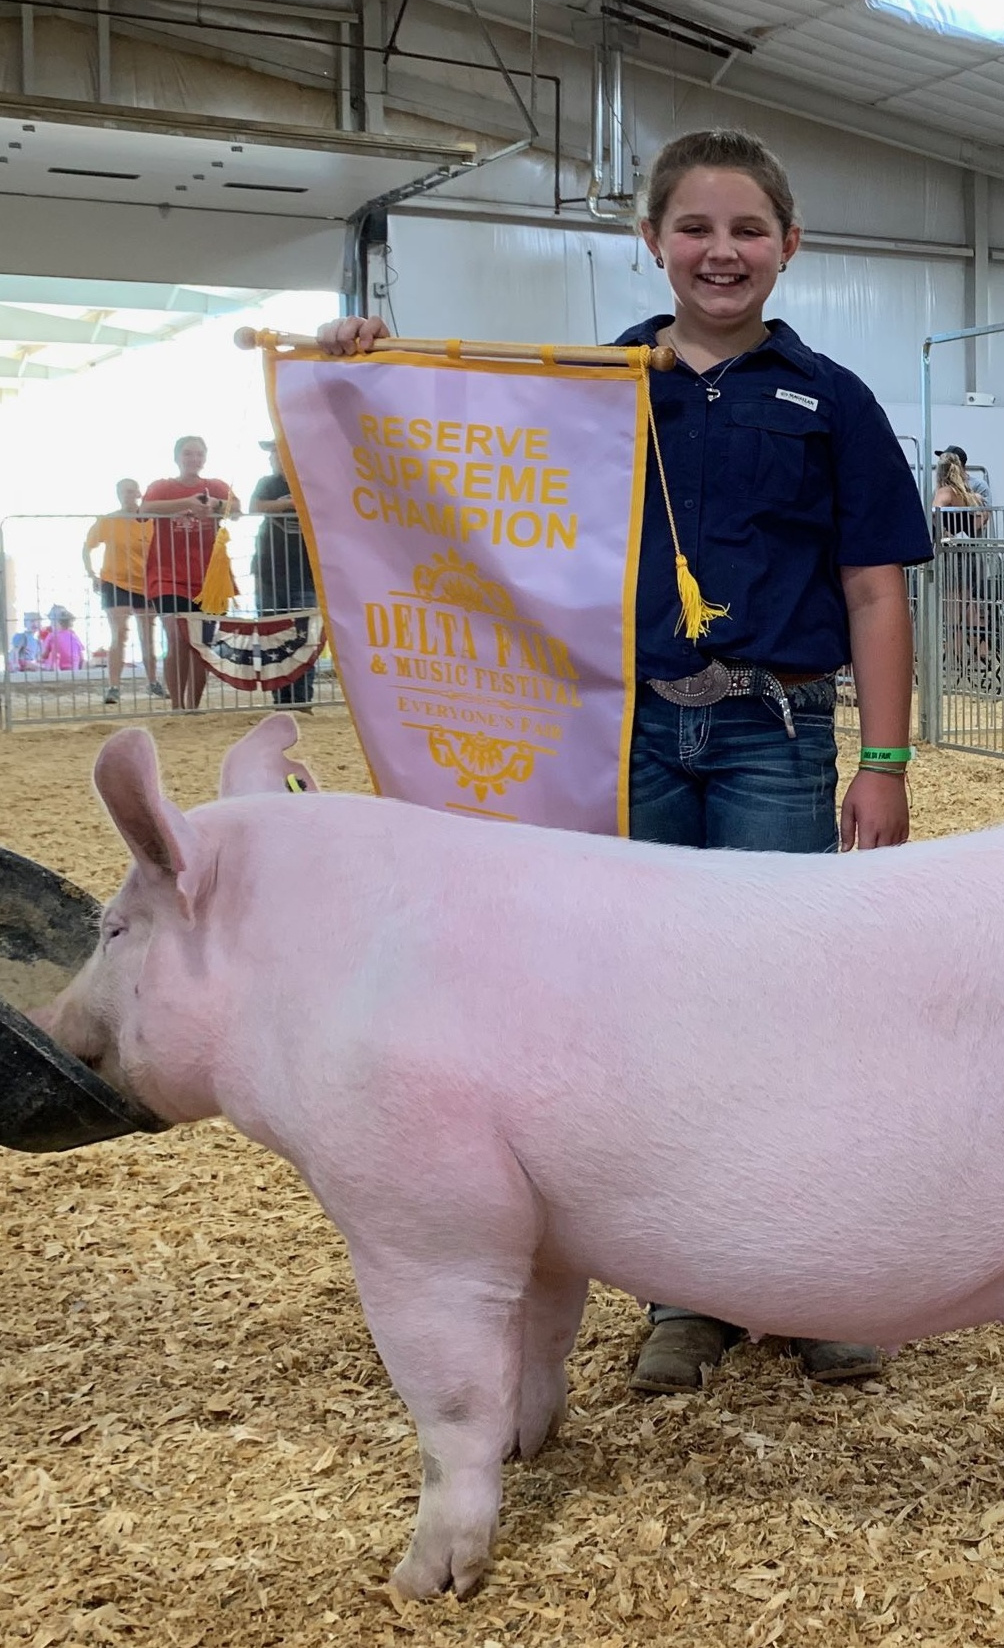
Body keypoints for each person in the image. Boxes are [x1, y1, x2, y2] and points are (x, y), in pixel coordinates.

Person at [317, 126, 932, 1395]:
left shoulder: (834, 403)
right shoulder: (583, 389)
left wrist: (882, 757)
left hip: (772, 730)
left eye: (747, 229)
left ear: (789, 247)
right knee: (638, 1012)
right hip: (621, 735)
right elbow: (454, 432)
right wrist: (377, 369)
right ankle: (685, 1292)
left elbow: (873, 590)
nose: (721, 251)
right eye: (695, 228)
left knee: (781, 994)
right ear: (650, 242)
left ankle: (810, 1274)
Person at [141, 436, 241, 711]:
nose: (193, 459)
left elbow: (238, 508)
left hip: (208, 579)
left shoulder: (216, 486)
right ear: (177, 457)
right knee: (176, 637)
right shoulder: (161, 486)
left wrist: (215, 505)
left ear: (205, 458)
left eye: (198, 454)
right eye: (188, 453)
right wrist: (187, 501)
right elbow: (145, 509)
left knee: (201, 643)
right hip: (167, 574)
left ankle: (193, 706)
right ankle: (177, 706)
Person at [249, 439, 318, 707]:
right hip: (269, 572)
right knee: (273, 637)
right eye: (274, 454)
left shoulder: (312, 480)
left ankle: (301, 700)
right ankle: (281, 699)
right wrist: (291, 505)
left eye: (279, 452)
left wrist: (290, 504)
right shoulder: (268, 482)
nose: (274, 458)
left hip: (305, 573)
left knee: (304, 637)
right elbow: (257, 506)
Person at [83, 478, 162, 705]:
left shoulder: (150, 521)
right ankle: (114, 686)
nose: (129, 495)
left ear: (139, 493)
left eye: (132, 491)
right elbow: (87, 548)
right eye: (124, 491)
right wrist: (92, 574)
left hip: (145, 583)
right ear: (118, 494)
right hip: (115, 581)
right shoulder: (108, 521)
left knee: (148, 635)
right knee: (119, 633)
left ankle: (153, 682)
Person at [38, 607, 85, 672]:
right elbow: (81, 658)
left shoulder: (52, 635)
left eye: (51, 621)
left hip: (58, 668)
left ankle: (54, 668)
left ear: (56, 622)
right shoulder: (74, 636)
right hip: (73, 669)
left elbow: (44, 655)